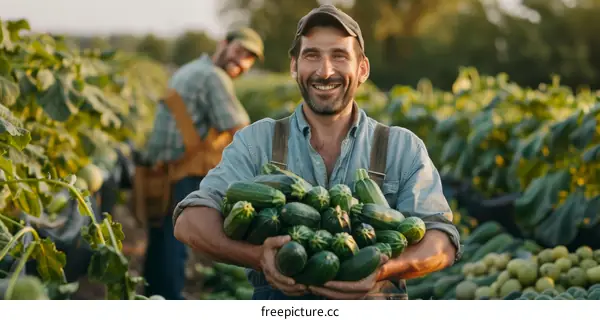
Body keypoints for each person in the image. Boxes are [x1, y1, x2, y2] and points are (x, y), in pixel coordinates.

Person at [172, 4, 461, 300]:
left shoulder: (402, 147)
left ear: (362, 69)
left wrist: (383, 270)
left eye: (339, 55)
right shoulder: (256, 142)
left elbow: (442, 240)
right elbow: (189, 222)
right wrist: (258, 256)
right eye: (312, 55)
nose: (325, 71)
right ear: (294, 66)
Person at [140, 27, 264, 300]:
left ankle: (152, 296)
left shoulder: (191, 68)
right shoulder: (213, 77)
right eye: (239, 51)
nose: (242, 62)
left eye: (249, 58)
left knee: (161, 236)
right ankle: (171, 300)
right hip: (185, 169)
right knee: (180, 236)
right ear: (224, 44)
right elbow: (240, 128)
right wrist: (263, 167)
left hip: (163, 167)